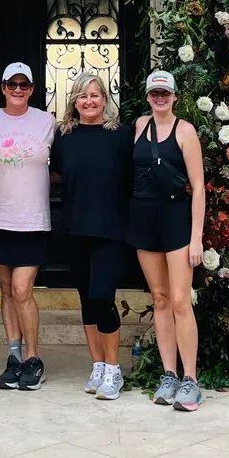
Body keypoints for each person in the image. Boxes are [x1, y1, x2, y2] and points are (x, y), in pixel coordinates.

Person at [51, 71, 134, 401]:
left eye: (95, 95)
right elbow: (57, 174)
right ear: (74, 101)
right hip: (74, 228)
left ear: (105, 100)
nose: (89, 101)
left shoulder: (120, 135)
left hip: (111, 230)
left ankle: (113, 370)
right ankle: (97, 365)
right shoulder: (63, 137)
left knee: (102, 297)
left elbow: (133, 177)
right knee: (86, 300)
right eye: (83, 96)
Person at [128, 70, 207, 412]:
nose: (159, 97)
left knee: (179, 301)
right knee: (159, 298)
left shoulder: (185, 131)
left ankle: (191, 379)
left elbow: (199, 187)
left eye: (165, 93)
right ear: (147, 96)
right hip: (145, 221)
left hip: (176, 220)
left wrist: (196, 239)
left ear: (174, 96)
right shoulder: (140, 126)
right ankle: (169, 374)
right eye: (154, 93)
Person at [0, 61, 56, 391]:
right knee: (7, 290)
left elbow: (64, 165)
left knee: (24, 290)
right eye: (12, 84)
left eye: (25, 85)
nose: (18, 90)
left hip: (33, 219)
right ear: (3, 88)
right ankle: (14, 356)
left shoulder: (47, 122)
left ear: (33, 89)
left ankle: (33, 358)